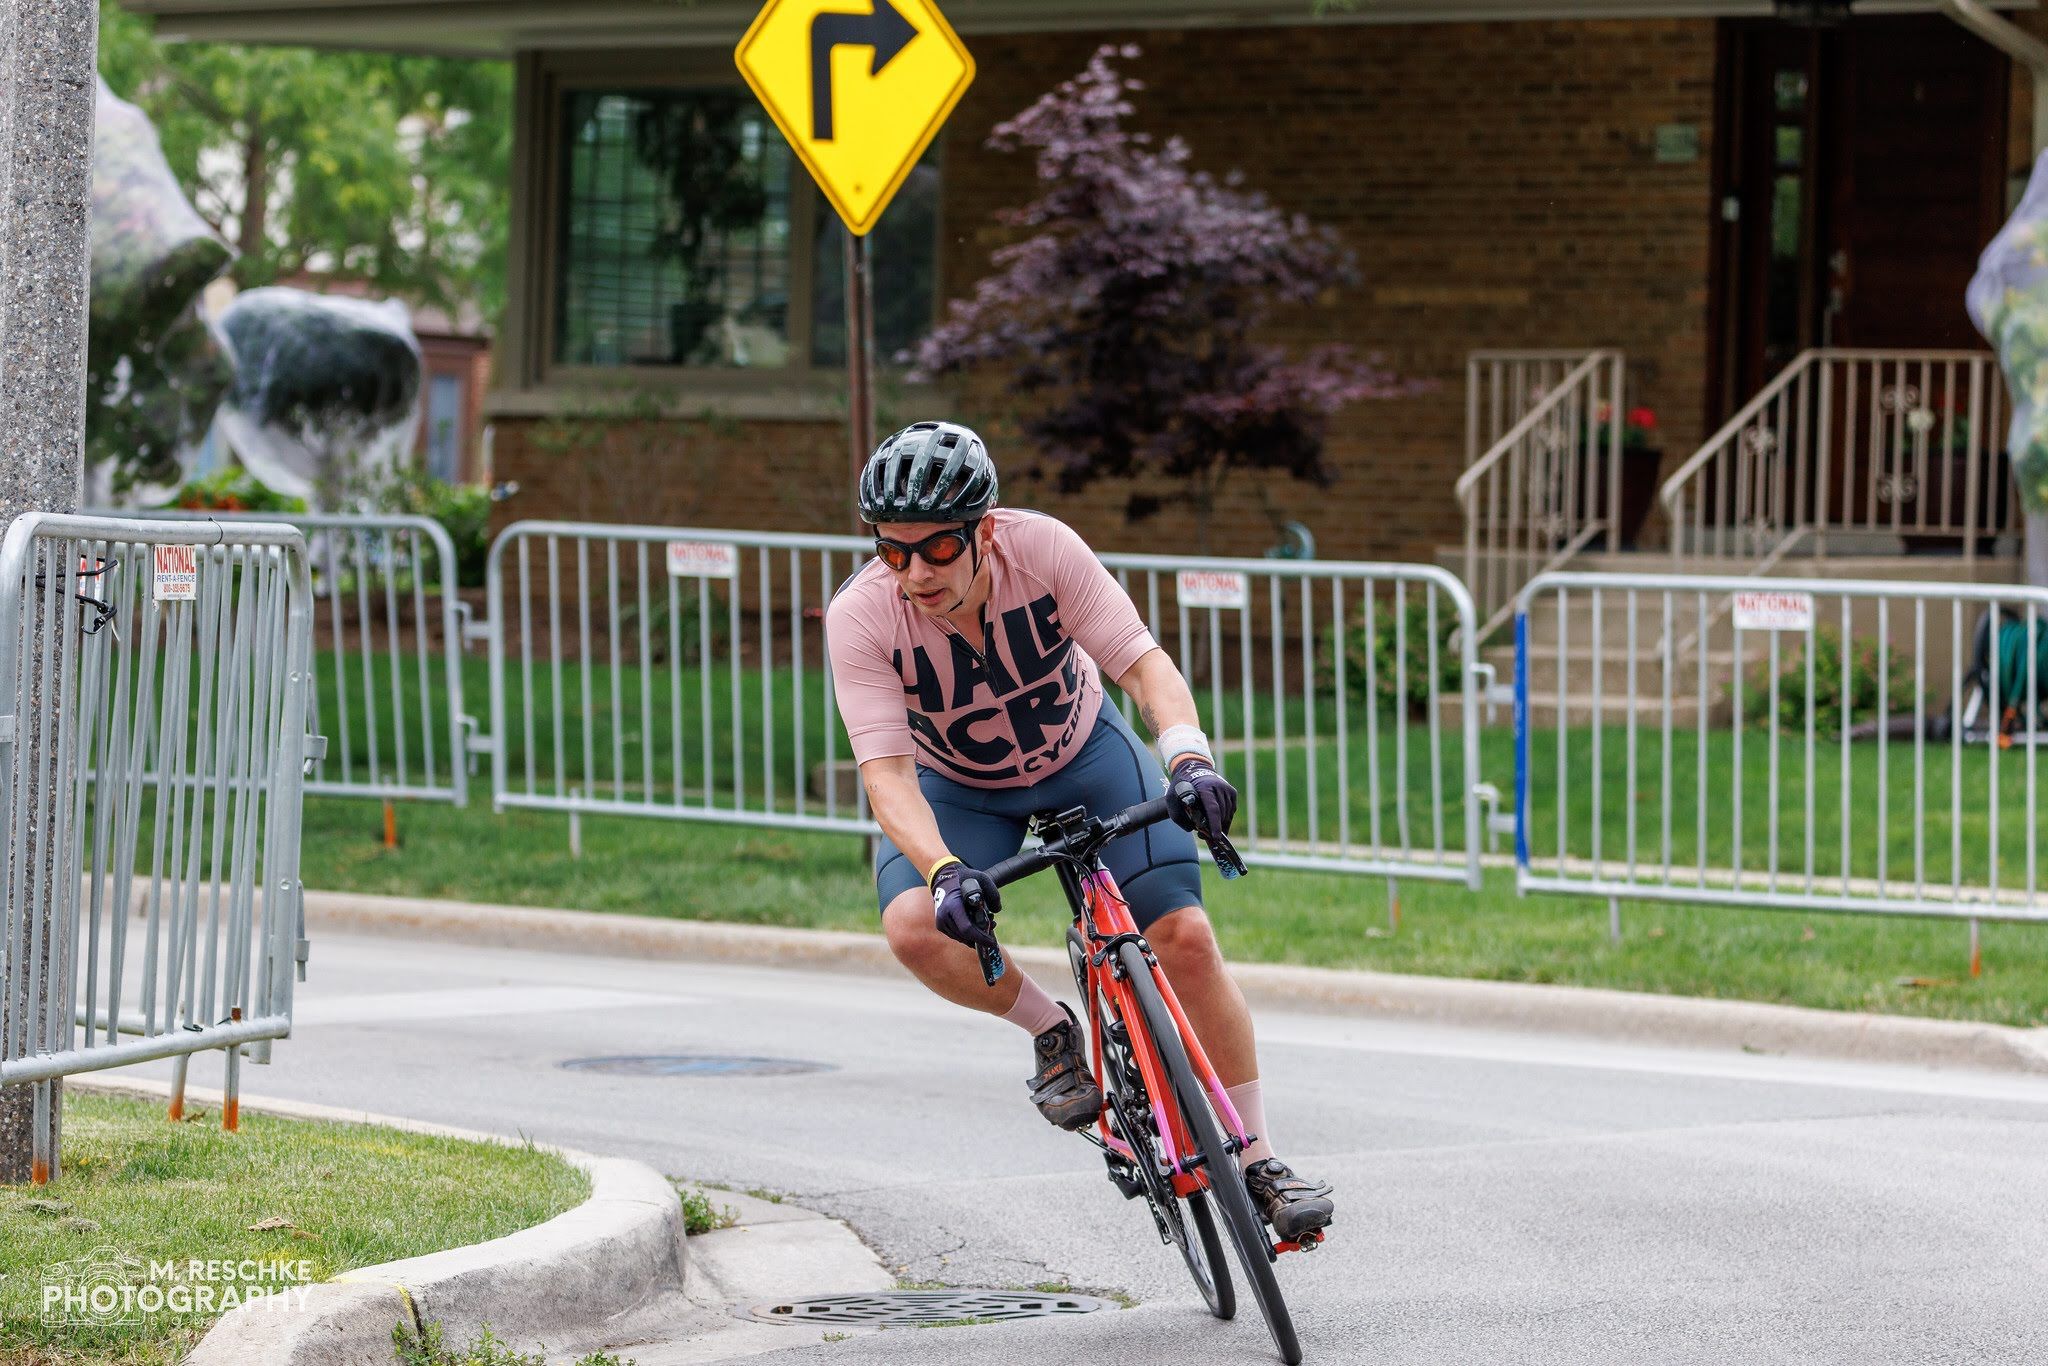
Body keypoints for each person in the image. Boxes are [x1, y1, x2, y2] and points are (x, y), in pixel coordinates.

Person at [824, 420, 1335, 1242]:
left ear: (984, 529)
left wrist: (1189, 760)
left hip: (1085, 753)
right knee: (915, 927)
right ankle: (1054, 1030)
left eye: (938, 549)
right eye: (892, 551)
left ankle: (1261, 1159)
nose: (915, 572)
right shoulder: (861, 617)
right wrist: (945, 867)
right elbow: (886, 772)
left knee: (1185, 937)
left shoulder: (1046, 549)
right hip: (963, 788)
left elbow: (1141, 667)